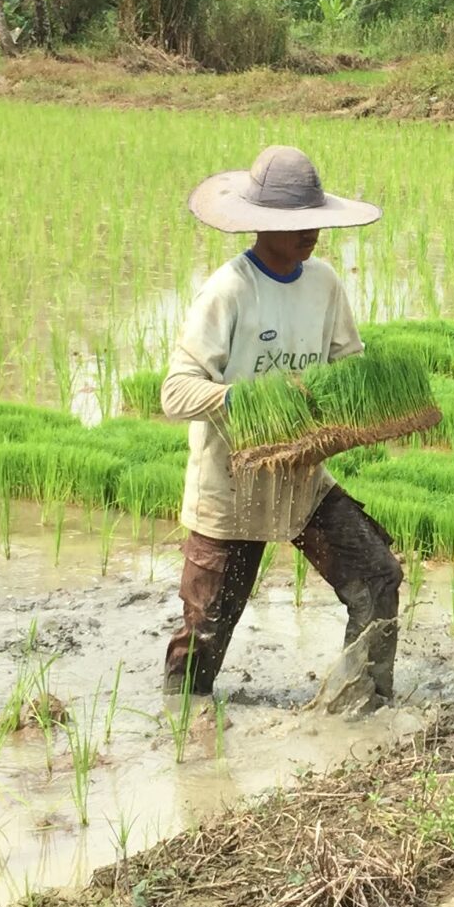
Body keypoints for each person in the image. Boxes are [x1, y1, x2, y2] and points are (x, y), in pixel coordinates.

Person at [160, 145, 404, 714]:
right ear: (261, 224)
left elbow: (348, 365)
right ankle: (182, 737)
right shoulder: (229, 290)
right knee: (205, 639)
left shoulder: (324, 284)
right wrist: (257, 401)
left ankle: (362, 709)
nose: (311, 233)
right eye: (296, 224)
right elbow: (175, 393)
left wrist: (356, 409)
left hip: (302, 478)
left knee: (377, 577)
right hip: (232, 486)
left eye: (314, 221)